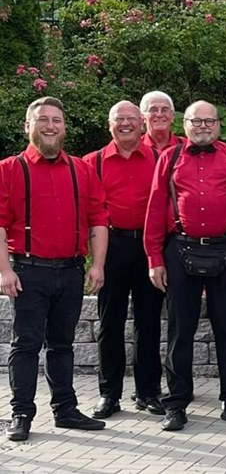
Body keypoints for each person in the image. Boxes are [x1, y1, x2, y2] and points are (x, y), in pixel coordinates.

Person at [144, 100, 226, 432]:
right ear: (185, 125)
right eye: (196, 121)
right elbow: (155, 210)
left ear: (218, 125)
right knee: (180, 332)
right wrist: (155, 259)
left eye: (209, 121)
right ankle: (177, 404)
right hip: (180, 251)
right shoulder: (169, 158)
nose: (203, 127)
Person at [0, 97, 109, 442]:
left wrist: (98, 265)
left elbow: (98, 220)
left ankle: (65, 410)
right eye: (42, 119)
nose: (50, 126)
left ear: (64, 126)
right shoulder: (8, 169)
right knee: (26, 345)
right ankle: (21, 413)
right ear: (27, 126)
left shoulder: (82, 169)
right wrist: (4, 271)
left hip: (71, 271)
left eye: (57, 120)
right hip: (28, 271)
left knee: (63, 344)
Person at [87, 100, 165, 420]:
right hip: (112, 246)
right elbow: (87, 213)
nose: (126, 124)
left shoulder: (160, 159)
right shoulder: (93, 162)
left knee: (149, 324)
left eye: (132, 119)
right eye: (119, 119)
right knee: (110, 323)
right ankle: (109, 394)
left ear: (142, 123)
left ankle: (147, 392)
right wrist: (95, 260)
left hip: (148, 247)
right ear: (110, 124)